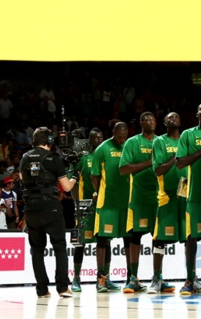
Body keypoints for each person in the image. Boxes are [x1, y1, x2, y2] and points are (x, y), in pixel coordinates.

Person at [19, 126, 77, 298]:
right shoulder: (53, 158)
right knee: (59, 246)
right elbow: (66, 187)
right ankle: (62, 287)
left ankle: (42, 290)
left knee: (36, 250)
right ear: (49, 141)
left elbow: (22, 179)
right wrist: (75, 176)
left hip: (31, 209)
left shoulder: (25, 157)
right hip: (50, 207)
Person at [176, 102, 201, 295]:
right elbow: (180, 163)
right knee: (191, 238)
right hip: (195, 195)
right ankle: (190, 279)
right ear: (196, 114)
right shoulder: (188, 135)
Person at [119, 112, 159, 293]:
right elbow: (124, 169)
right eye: (147, 120)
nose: (150, 122)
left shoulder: (162, 141)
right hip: (138, 198)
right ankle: (133, 277)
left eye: (153, 119)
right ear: (141, 123)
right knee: (136, 236)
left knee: (159, 238)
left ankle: (158, 277)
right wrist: (149, 162)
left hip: (159, 198)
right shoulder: (132, 142)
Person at [91, 122, 130, 293]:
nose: (122, 140)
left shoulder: (129, 146)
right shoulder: (102, 148)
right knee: (103, 240)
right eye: (119, 136)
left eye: (124, 137)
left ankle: (131, 278)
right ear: (113, 132)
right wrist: (100, 192)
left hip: (126, 203)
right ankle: (101, 279)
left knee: (128, 240)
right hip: (107, 203)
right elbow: (94, 176)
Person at [152, 113, 185, 294]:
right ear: (164, 123)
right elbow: (158, 170)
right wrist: (176, 158)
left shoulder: (185, 139)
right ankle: (157, 278)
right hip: (167, 196)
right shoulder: (159, 142)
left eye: (176, 117)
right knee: (160, 239)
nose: (173, 119)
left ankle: (191, 278)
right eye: (169, 118)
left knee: (190, 237)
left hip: (185, 196)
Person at [71, 128, 104, 292]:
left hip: (103, 205)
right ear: (89, 140)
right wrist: (77, 203)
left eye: (100, 137)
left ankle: (104, 279)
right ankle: (76, 278)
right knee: (80, 243)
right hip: (85, 205)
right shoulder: (83, 157)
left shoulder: (106, 155)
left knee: (105, 241)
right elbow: (72, 182)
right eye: (94, 137)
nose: (98, 139)